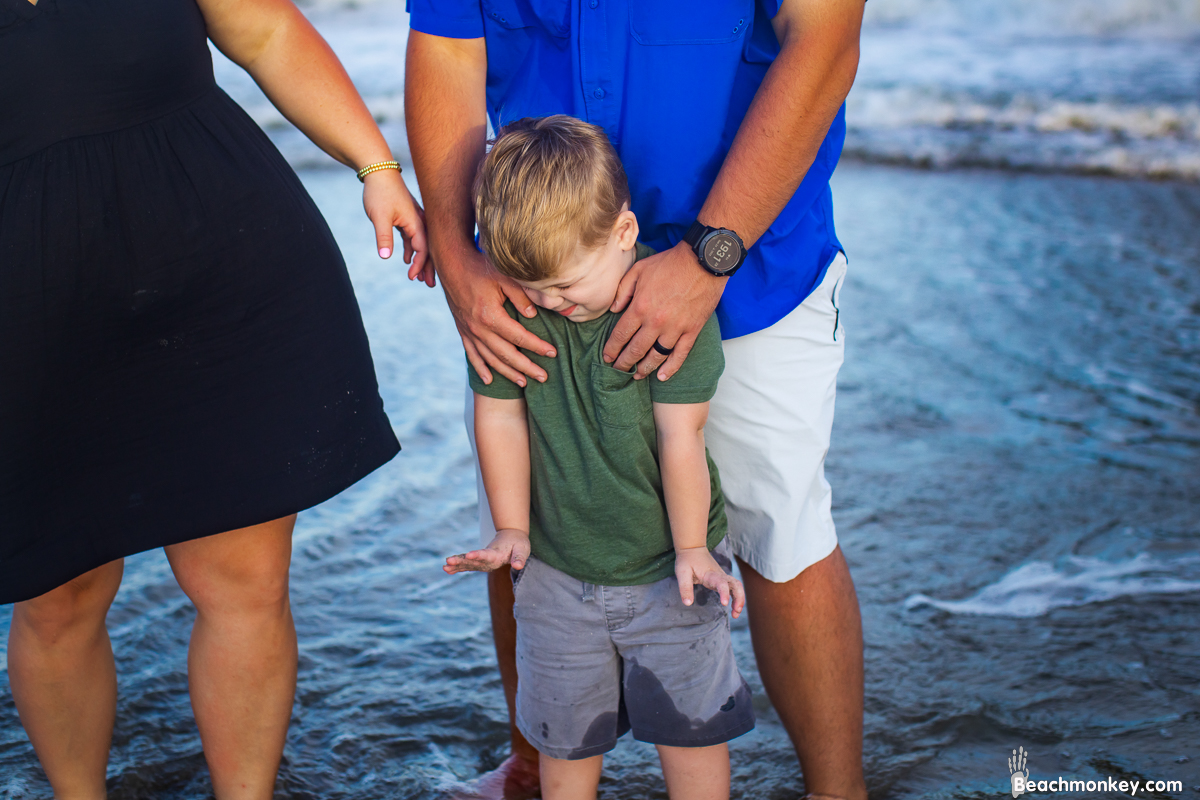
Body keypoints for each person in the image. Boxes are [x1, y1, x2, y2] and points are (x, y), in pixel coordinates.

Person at [405, 1, 866, 798]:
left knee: (779, 528)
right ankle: (529, 768)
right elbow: (446, 46)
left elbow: (825, 35)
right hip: (535, 265)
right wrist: (457, 255)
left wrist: (710, 254)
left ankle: (839, 791)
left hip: (753, 264)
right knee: (530, 525)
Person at [0, 0, 426, 796]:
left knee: (244, 582)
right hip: (27, 310)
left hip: (219, 272)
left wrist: (378, 168)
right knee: (57, 594)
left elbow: (267, 33)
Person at [443, 115, 754, 800]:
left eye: (565, 285)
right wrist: (512, 529)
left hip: (668, 570)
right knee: (565, 750)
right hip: (557, 575)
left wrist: (690, 550)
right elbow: (497, 417)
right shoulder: (518, 309)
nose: (551, 303)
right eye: (534, 288)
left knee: (693, 741)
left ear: (623, 233)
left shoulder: (670, 315)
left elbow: (683, 439)